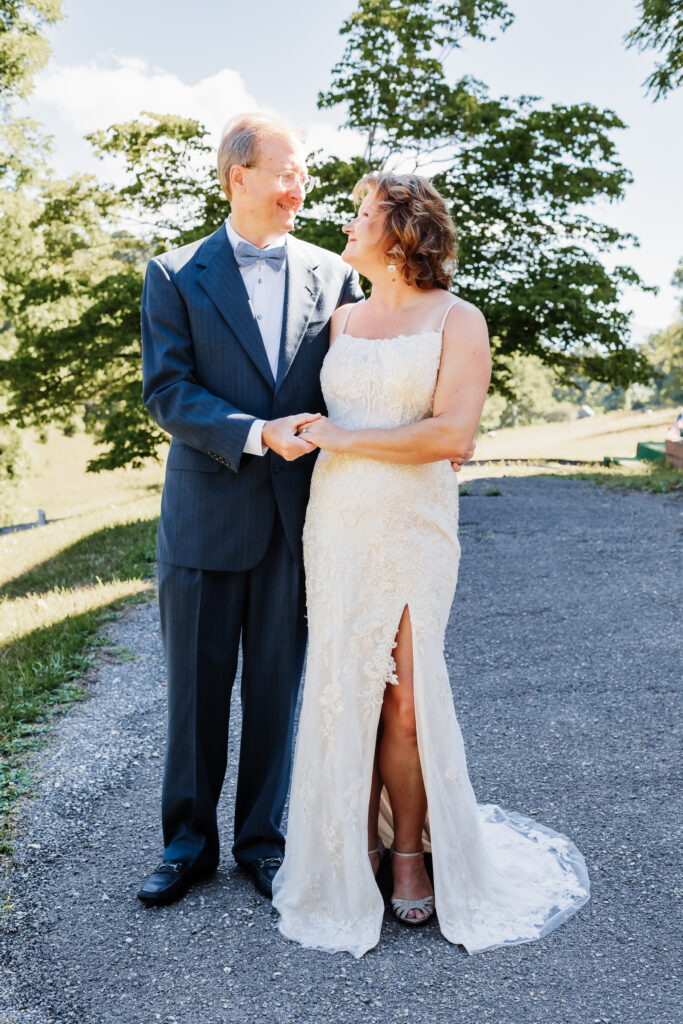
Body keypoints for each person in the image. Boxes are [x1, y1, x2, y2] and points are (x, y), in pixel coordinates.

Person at [272, 171, 590, 956]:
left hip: (414, 525)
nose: (346, 224)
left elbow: (450, 437)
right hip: (339, 521)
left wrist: (339, 437)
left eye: (360, 213)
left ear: (402, 229)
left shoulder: (459, 319)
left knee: (408, 703)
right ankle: (357, 851)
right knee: (350, 692)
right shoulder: (341, 323)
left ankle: (411, 852)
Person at [135, 112, 368, 905]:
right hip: (202, 519)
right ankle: (186, 845)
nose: (298, 185)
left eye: (301, 171)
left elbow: (358, 384)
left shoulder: (334, 276)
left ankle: (263, 843)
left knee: (278, 690)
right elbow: (165, 392)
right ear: (240, 177)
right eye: (287, 170)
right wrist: (256, 433)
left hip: (297, 520)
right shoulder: (173, 273)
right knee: (194, 696)